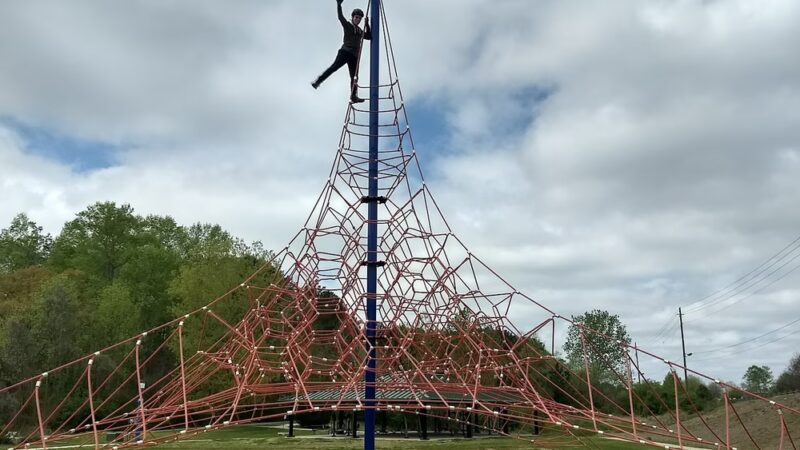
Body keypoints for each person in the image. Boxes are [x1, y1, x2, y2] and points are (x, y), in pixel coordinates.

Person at [312, 0, 371, 103]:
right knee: (334, 67)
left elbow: (369, 36)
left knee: (355, 77)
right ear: (353, 17)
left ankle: (353, 96)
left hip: (354, 56)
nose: (358, 19)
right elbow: (340, 17)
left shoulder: (359, 31)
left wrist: (367, 25)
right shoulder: (348, 25)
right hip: (345, 52)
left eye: (359, 18)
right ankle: (318, 81)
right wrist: (339, 5)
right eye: (356, 17)